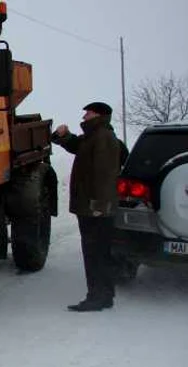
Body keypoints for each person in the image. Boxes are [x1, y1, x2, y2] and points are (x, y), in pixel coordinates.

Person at [51, 102, 123, 312]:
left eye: (88, 113)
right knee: (96, 252)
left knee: (96, 253)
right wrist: (63, 135)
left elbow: (105, 175)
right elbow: (76, 145)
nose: (84, 116)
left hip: (96, 209)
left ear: (99, 115)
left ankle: (97, 297)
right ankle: (104, 295)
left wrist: (99, 206)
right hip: (92, 207)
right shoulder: (94, 136)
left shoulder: (104, 138)